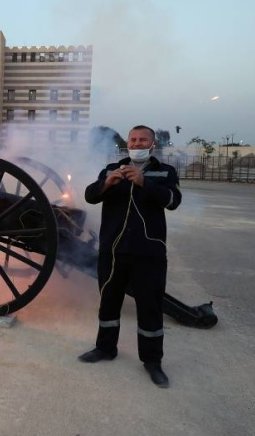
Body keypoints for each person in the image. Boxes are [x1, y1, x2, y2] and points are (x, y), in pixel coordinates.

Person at [78, 125, 182, 388]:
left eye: (142, 140)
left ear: (153, 144)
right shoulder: (112, 169)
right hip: (112, 250)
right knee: (109, 303)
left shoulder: (165, 171)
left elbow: (172, 200)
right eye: (133, 140)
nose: (137, 144)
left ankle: (152, 362)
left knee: (150, 306)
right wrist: (106, 183)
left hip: (149, 253)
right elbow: (90, 196)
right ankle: (105, 348)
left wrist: (144, 182)